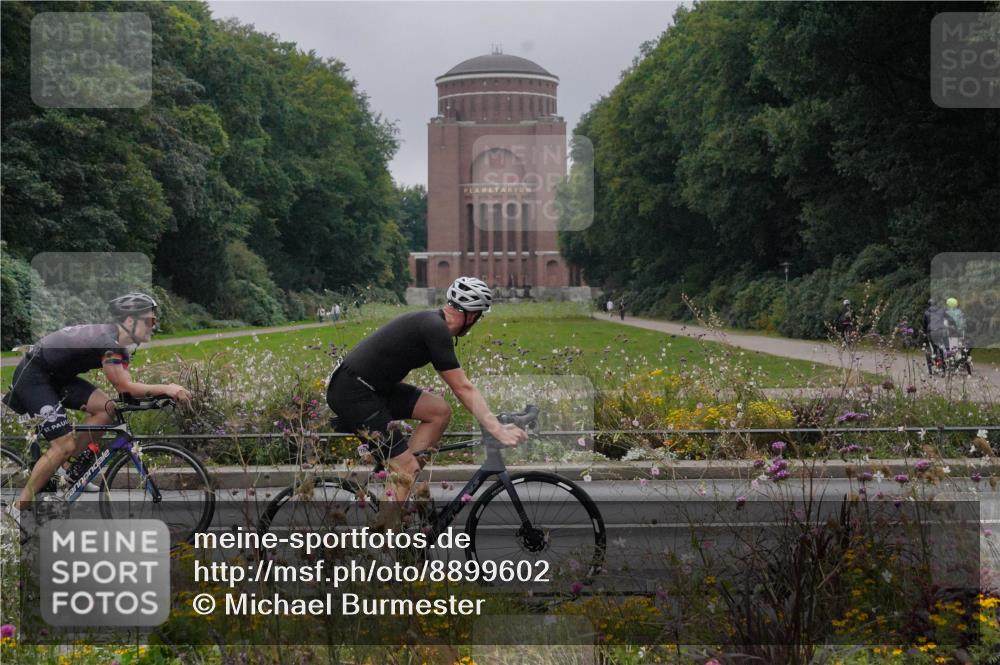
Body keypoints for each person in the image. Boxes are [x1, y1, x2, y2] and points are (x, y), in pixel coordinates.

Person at [326, 277, 528, 526]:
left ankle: (403, 483)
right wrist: (496, 428)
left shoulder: (433, 325)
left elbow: (460, 389)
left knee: (438, 411)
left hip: (374, 389)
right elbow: (462, 387)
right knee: (405, 468)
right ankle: (384, 546)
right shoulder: (434, 327)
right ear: (472, 316)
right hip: (353, 392)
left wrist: (494, 424)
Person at [2, 293, 192, 518]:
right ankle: (15, 512)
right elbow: (124, 387)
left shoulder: (117, 343)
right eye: (150, 321)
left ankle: (66, 473)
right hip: (34, 378)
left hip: (56, 377)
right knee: (62, 446)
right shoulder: (108, 343)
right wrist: (167, 388)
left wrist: (157, 396)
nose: (155, 325)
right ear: (130, 322)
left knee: (107, 408)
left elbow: (126, 392)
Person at [923, 299, 958, 363]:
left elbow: (925, 325)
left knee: (934, 347)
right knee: (945, 340)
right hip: (942, 331)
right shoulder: (942, 310)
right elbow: (950, 319)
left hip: (932, 333)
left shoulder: (926, 313)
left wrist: (925, 332)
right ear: (936, 304)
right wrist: (955, 325)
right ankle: (948, 352)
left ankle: (937, 359)